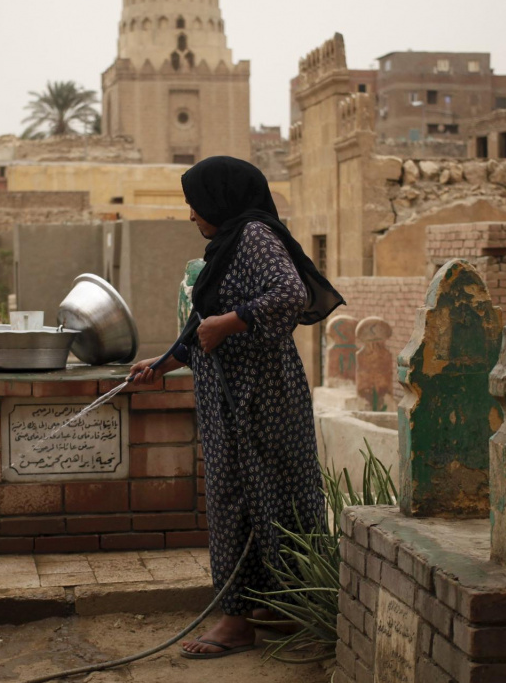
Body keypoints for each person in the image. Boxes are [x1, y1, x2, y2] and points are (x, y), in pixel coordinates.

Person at [129, 156, 344, 659]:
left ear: (221, 199)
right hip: (233, 397)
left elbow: (289, 293)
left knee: (259, 498)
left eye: (194, 203)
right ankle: (276, 605)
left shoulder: (253, 237)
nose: (190, 215)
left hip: (261, 397)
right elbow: (201, 327)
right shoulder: (229, 245)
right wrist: (161, 365)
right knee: (248, 498)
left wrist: (232, 322)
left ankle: (237, 621)